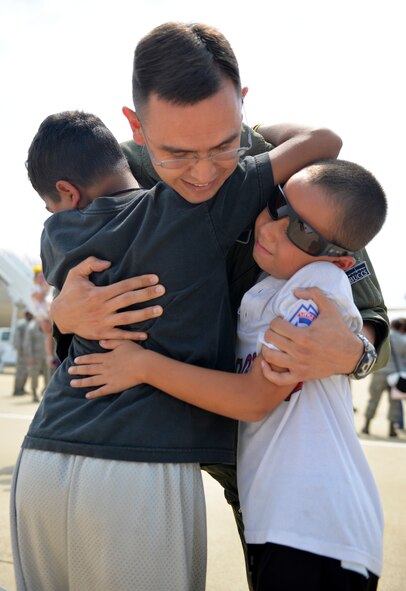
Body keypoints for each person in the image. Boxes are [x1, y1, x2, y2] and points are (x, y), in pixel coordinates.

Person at [11, 22, 387, 591]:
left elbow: (363, 316)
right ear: (137, 128)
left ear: (242, 108)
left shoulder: (290, 182)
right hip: (162, 436)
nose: (205, 172)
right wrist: (64, 312)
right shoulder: (125, 171)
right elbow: (76, 276)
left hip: (269, 450)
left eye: (222, 145)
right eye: (177, 153)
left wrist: (355, 354)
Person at [72, 159, 387, 590]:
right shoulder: (274, 282)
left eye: (303, 232)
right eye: (276, 204)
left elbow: (254, 400)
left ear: (339, 261)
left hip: (315, 528)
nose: (273, 228)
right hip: (285, 523)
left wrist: (141, 364)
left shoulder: (315, 287)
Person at [362, 318, 406, 437]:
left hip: (379, 372)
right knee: (394, 402)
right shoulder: (403, 340)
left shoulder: (383, 335)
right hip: (396, 375)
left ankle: (366, 425)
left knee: (373, 399)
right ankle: (392, 429)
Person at [24, 316, 52, 402]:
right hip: (35, 357)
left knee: (49, 375)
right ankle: (34, 393)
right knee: (34, 376)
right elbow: (28, 343)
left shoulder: (50, 325)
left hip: (47, 357)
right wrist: (30, 357)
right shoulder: (32, 327)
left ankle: (47, 392)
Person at [12, 310, 33, 396]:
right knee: (20, 371)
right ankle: (17, 389)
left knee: (26, 371)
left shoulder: (31, 324)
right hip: (22, 353)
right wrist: (19, 350)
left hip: (28, 353)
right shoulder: (21, 323)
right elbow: (16, 337)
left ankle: (22, 388)